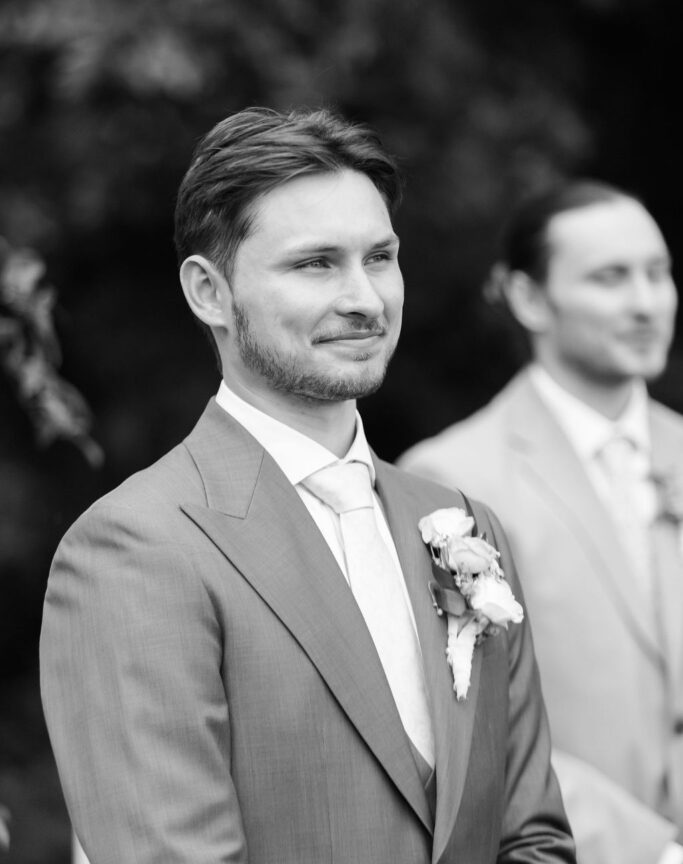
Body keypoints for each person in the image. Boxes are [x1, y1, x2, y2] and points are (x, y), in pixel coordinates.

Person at [40, 107, 575, 864]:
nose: (365, 298)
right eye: (315, 263)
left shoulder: (461, 524)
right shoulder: (137, 548)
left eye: (380, 258)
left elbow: (533, 837)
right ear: (209, 292)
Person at [398, 181, 683, 864]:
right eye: (610, 279)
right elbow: (469, 726)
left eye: (657, 273)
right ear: (528, 299)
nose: (645, 304)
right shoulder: (451, 479)